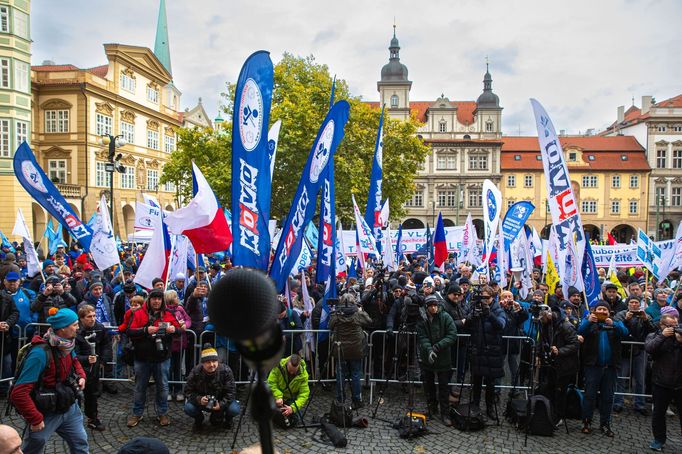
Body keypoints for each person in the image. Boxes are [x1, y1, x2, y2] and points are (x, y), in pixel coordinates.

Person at [10, 308, 88, 454]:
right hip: (46, 411)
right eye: (75, 324)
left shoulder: (66, 343)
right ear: (63, 328)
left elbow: (74, 359)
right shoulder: (39, 354)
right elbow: (19, 393)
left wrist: (81, 375)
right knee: (33, 448)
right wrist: (35, 418)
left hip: (69, 406)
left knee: (81, 444)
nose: (78, 328)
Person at [125, 288, 181, 428]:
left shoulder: (168, 313)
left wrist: (174, 330)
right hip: (141, 358)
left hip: (162, 358)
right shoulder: (138, 313)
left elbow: (180, 330)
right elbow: (129, 331)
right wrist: (145, 330)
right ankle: (137, 413)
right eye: (154, 298)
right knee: (139, 387)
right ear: (149, 300)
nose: (156, 301)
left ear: (162, 300)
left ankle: (162, 413)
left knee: (162, 387)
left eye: (159, 298)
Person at [577, 301, 628, 437]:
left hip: (610, 367)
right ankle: (586, 421)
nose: (602, 311)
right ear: (595, 310)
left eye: (605, 309)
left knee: (608, 397)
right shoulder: (589, 321)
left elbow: (625, 332)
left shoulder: (615, 321)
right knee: (589, 395)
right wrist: (588, 322)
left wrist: (614, 324)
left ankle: (605, 424)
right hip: (593, 366)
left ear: (609, 311)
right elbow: (580, 331)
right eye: (600, 308)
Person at [466, 285, 506, 420]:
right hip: (477, 349)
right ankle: (475, 405)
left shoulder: (498, 309)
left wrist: (489, 314)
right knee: (476, 381)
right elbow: (468, 323)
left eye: (486, 298)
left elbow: (501, 325)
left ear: (492, 298)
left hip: (492, 351)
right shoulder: (475, 307)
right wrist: (472, 316)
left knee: (490, 382)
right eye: (482, 298)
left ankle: (490, 408)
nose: (484, 301)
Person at [535, 305, 580, 426]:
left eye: (542, 318)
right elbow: (541, 340)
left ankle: (559, 416)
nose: (540, 320)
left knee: (560, 391)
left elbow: (575, 344)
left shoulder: (566, 326)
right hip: (551, 363)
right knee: (550, 388)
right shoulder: (545, 325)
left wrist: (560, 351)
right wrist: (538, 355)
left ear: (548, 315)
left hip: (565, 364)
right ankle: (550, 412)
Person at [416, 294, 457, 426]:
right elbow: (422, 337)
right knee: (429, 386)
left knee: (444, 387)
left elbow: (452, 335)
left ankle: (444, 413)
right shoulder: (423, 320)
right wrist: (429, 350)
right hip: (427, 359)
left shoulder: (445, 317)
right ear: (426, 307)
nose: (433, 308)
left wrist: (437, 347)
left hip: (443, 358)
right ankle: (432, 409)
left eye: (435, 305)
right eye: (430, 306)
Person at [613, 295, 655, 415]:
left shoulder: (644, 314)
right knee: (621, 378)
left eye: (636, 302)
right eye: (632, 302)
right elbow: (617, 329)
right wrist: (626, 320)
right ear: (628, 304)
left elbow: (652, 331)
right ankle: (618, 402)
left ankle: (639, 404)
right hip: (624, 350)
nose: (634, 305)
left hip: (640, 350)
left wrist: (646, 320)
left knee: (640, 379)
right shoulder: (621, 314)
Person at [645, 313, 682, 451]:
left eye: (676, 326)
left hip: (680, 383)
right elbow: (649, 348)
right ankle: (659, 439)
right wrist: (663, 336)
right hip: (661, 382)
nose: (674, 329)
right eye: (670, 326)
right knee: (659, 414)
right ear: (662, 325)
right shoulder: (654, 335)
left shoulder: (679, 336)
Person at [329, 292, 372, 409]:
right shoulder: (358, 314)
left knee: (341, 374)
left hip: (340, 348)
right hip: (356, 349)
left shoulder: (337, 314)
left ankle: (340, 399)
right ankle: (356, 399)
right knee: (356, 374)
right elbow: (369, 321)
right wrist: (360, 310)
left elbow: (330, 325)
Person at [74, 304, 113, 431]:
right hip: (77, 368)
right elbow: (72, 353)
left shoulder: (100, 328)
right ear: (82, 318)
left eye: (94, 316)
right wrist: (86, 359)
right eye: (89, 317)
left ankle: (92, 419)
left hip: (93, 368)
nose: (93, 319)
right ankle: (74, 420)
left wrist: (102, 361)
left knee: (92, 394)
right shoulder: (75, 330)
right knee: (76, 395)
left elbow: (106, 345)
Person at [183, 345, 239, 431]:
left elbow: (231, 392)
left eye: (214, 361)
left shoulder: (226, 370)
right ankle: (199, 419)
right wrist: (199, 399)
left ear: (218, 361)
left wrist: (221, 405)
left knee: (234, 409)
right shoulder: (196, 372)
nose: (212, 365)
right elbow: (187, 391)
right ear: (203, 363)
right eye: (208, 362)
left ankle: (228, 419)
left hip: (221, 400)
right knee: (188, 408)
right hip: (203, 402)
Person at [267, 354, 310, 428]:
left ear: (299, 366)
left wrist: (293, 408)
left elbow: (304, 394)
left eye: (294, 371)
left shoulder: (304, 375)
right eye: (289, 370)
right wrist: (278, 396)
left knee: (295, 419)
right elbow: (271, 383)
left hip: (291, 398)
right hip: (277, 395)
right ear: (287, 363)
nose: (291, 373)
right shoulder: (278, 366)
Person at [499, 290, 528, 392]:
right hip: (500, 341)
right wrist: (500, 306)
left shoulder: (515, 309)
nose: (507, 299)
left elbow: (524, 317)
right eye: (505, 296)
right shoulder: (498, 308)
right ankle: (496, 389)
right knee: (499, 365)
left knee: (514, 367)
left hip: (513, 341)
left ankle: (515, 389)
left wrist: (520, 309)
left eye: (509, 297)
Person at [164, 290, 190, 401]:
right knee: (169, 368)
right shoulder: (164, 311)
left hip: (180, 343)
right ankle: (169, 390)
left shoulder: (180, 309)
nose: (177, 298)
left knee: (178, 367)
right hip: (169, 343)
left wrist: (185, 325)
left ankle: (179, 390)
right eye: (175, 296)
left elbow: (188, 319)